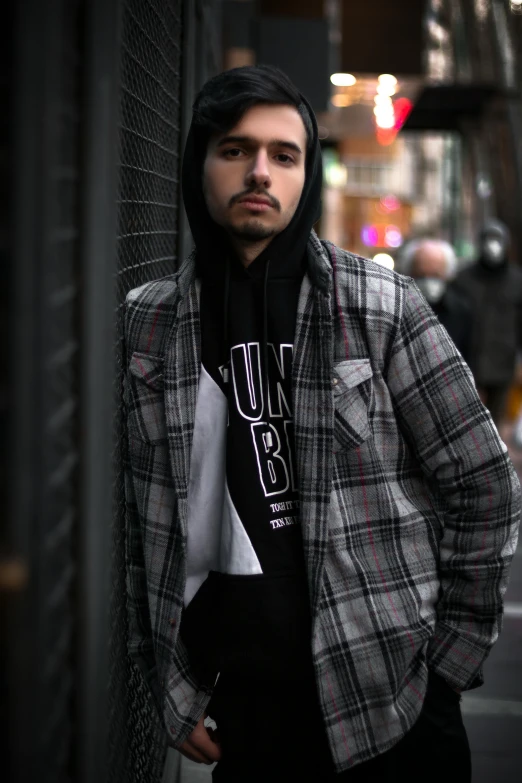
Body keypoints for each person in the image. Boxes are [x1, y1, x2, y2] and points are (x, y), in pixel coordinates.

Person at [123, 66, 520, 782]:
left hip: (392, 708)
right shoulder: (148, 323)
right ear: (199, 164)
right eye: (235, 149)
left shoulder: (379, 306)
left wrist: (449, 665)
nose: (260, 172)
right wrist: (171, 687)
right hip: (243, 711)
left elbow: (484, 481)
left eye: (284, 154)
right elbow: (133, 526)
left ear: (308, 173)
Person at [453, 219, 522, 426]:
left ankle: (495, 456)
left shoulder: (517, 281)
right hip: (467, 359)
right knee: (466, 419)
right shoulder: (463, 279)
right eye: (488, 239)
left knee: (496, 420)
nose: (493, 245)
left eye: (497, 239)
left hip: (504, 361)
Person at [401, 238, 473, 364]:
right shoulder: (398, 310)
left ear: (447, 274)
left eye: (435, 275)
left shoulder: (460, 311)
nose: (429, 281)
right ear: (410, 273)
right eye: (422, 275)